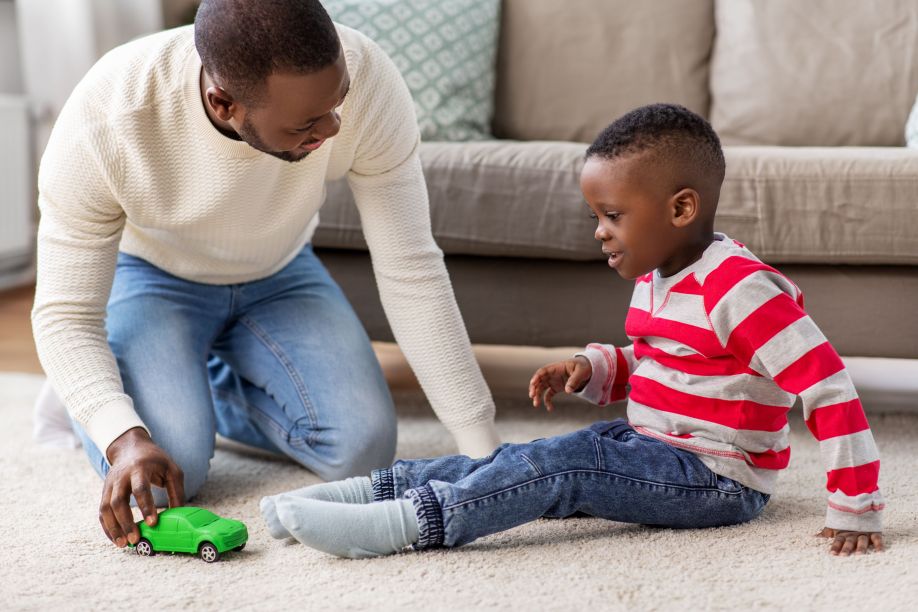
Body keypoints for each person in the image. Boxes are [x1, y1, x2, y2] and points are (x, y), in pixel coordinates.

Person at [259, 104, 885, 559]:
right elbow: (666, 364)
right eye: (597, 216)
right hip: (660, 446)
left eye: (613, 216)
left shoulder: (742, 290)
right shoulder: (663, 273)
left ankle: (413, 523)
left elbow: (829, 388)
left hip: (719, 481)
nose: (599, 231)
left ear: (682, 208)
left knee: (569, 467)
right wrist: (595, 368)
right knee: (524, 456)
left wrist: (854, 505)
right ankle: (370, 493)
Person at [30, 0, 501, 551]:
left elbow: (410, 265)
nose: (333, 127)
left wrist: (484, 451)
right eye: (307, 123)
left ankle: (193, 380)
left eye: (338, 101)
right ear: (222, 102)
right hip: (154, 275)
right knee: (164, 477)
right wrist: (119, 431)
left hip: (280, 272)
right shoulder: (108, 118)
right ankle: (101, 383)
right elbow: (65, 313)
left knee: (362, 448)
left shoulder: (367, 75)